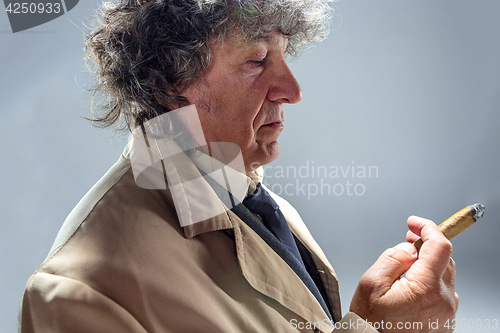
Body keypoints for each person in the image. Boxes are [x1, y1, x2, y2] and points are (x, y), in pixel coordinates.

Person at [19, 1, 458, 332]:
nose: (292, 89)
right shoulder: (80, 292)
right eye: (256, 61)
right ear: (169, 85)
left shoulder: (242, 190)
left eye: (284, 56)